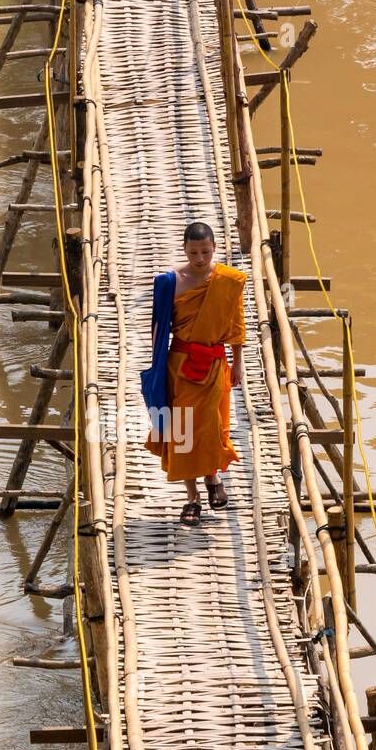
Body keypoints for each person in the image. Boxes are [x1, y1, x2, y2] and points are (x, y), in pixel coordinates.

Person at [141, 222, 246, 526]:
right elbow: (159, 330)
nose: (200, 257)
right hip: (180, 364)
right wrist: (156, 372)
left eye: (206, 251)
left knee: (211, 426)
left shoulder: (228, 281)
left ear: (214, 249)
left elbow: (236, 327)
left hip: (214, 363)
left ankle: (213, 478)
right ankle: (192, 497)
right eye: (194, 252)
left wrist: (237, 363)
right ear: (185, 249)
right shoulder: (170, 281)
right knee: (182, 429)